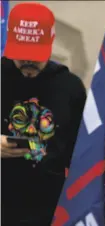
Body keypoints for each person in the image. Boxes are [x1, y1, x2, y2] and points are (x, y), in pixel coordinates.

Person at [1, 3, 86, 226]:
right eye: (21, 57)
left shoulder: (70, 87)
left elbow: (82, 153)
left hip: (50, 210)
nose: (28, 64)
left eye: (35, 57)